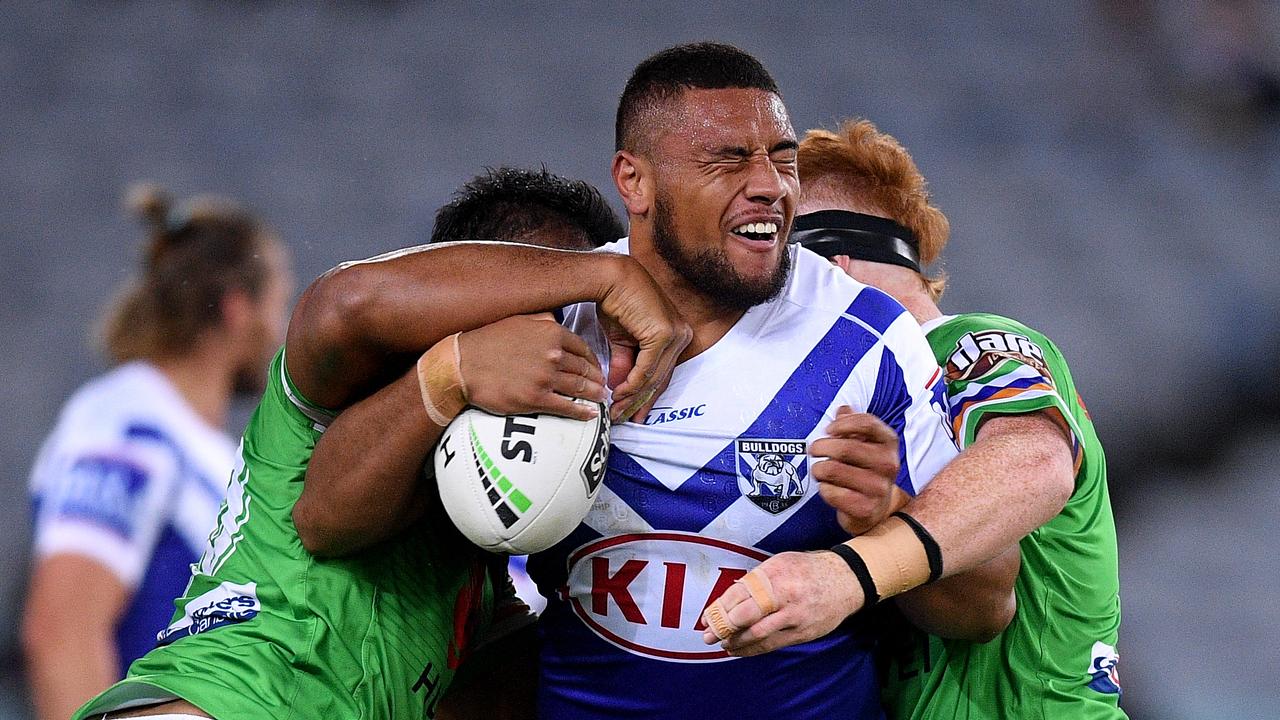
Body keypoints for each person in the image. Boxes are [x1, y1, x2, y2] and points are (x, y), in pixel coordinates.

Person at [293, 43, 965, 720]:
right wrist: (443, 379)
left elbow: (985, 607)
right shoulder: (544, 321)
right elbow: (324, 521)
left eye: (781, 158)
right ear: (634, 181)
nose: (770, 185)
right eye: (728, 158)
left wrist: (891, 515)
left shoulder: (870, 340)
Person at [69, 167, 659, 720]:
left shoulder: (476, 575)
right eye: (561, 312)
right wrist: (603, 277)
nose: (571, 351)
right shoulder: (347, 389)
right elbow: (325, 512)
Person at [714, 118, 1125, 718]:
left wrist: (847, 572)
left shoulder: (967, 345)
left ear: (834, 270)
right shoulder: (861, 395)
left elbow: (1035, 460)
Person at [21, 185, 294, 720]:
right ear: (238, 310)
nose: (282, 332)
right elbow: (63, 630)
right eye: (278, 304)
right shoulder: (126, 424)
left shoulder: (217, 454)